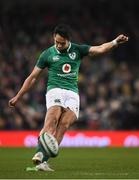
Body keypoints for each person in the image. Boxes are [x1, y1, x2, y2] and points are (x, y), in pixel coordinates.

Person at [9, 24, 128, 171]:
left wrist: (115, 42)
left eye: (62, 43)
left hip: (72, 93)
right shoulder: (47, 54)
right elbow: (33, 77)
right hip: (55, 89)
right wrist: (18, 96)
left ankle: (43, 162)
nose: (58, 45)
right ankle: (39, 153)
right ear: (54, 38)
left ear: (68, 40)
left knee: (64, 124)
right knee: (53, 116)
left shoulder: (78, 50)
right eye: (56, 42)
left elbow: (99, 49)